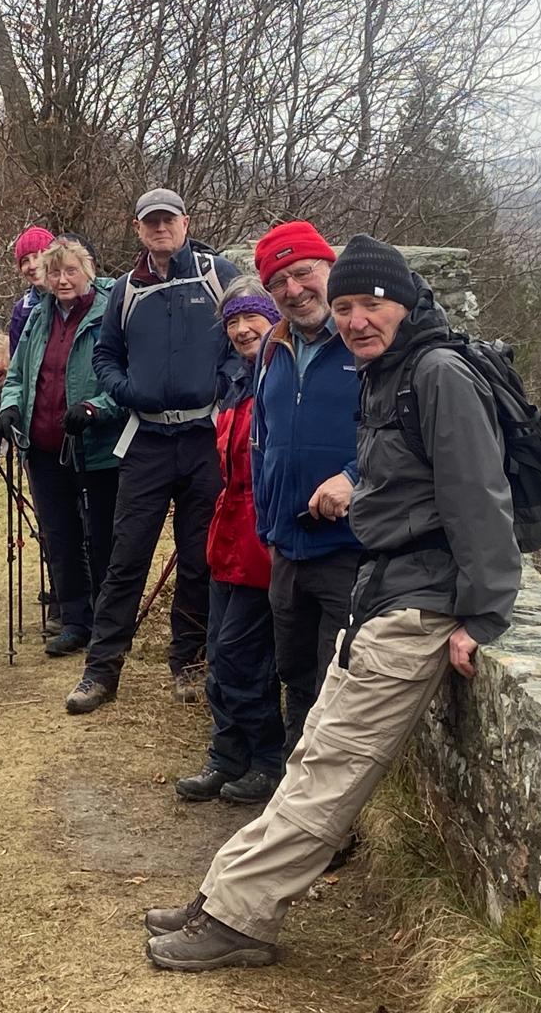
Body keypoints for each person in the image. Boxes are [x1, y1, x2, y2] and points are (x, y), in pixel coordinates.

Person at [142, 233, 521, 972]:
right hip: (382, 593)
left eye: (369, 302)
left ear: (404, 301)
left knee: (330, 767)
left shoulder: (437, 374)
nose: (356, 318)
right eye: (344, 306)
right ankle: (222, 893)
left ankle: (239, 917)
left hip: (419, 603)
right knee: (312, 749)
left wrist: (482, 616)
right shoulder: (392, 369)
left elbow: (480, 499)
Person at [64, 187, 239, 714]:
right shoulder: (126, 288)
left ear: (185, 222)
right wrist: (124, 391)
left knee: (199, 557)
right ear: (138, 228)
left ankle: (188, 662)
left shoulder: (218, 275)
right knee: (126, 556)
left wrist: (225, 387)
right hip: (146, 439)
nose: (160, 228)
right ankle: (101, 671)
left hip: (205, 438)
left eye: (168, 219)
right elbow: (106, 353)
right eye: (150, 221)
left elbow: (246, 335)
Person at [248, 221, 364, 757]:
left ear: (330, 268)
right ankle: (291, 798)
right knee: (294, 677)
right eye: (278, 282)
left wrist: (354, 478)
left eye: (302, 273)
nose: (293, 290)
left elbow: (409, 437)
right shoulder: (273, 350)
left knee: (334, 687)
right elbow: (261, 440)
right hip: (288, 550)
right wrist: (267, 527)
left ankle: (330, 828)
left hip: (349, 550)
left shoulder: (368, 346)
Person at [173, 278, 287, 805]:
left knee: (243, 658)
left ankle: (267, 760)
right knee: (220, 657)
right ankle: (226, 755)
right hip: (228, 541)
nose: (242, 329)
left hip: (261, 547)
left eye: (252, 317)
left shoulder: (281, 379)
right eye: (233, 321)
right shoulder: (239, 381)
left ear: (275, 318)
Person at [0, 239, 123, 658]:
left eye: (70, 270)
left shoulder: (112, 310)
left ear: (87, 270)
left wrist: (95, 407)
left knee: (102, 537)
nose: (62, 279)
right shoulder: (38, 316)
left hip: (97, 447)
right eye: (54, 272)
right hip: (44, 447)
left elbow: (127, 379)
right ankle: (74, 620)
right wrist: (11, 408)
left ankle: (108, 625)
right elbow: (17, 374)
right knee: (60, 536)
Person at [8, 225, 55, 351]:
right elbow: (15, 361)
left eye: (37, 256)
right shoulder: (21, 310)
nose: (32, 266)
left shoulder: (72, 298)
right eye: (25, 261)